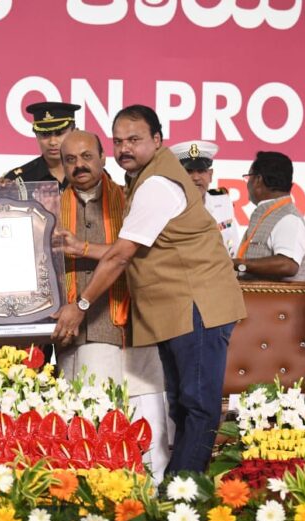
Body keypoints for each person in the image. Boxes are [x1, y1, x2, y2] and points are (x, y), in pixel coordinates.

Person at [52, 104, 246, 475]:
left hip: (199, 305)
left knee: (198, 405)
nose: (125, 148)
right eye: (119, 141)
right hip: (178, 308)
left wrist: (81, 305)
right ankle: (179, 487)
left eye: (135, 139)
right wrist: (81, 247)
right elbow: (137, 245)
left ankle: (184, 491)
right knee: (182, 405)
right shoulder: (142, 178)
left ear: (157, 140)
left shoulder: (156, 184)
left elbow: (122, 256)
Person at [56, 129, 169, 480]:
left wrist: (83, 249)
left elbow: (136, 254)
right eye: (70, 160)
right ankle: (98, 493)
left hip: (136, 323)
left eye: (86, 157)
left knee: (147, 420)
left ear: (103, 158)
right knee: (89, 422)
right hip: (80, 330)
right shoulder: (49, 207)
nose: (79, 165)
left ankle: (153, 493)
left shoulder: (130, 199)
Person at [233, 151, 305, 280]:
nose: (247, 183)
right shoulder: (269, 214)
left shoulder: (288, 218)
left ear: (258, 180)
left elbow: (287, 265)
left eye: (248, 177)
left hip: (281, 295)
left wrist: (241, 265)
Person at [169, 140, 239, 257]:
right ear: (178, 176)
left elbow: (232, 242)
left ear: (210, 175)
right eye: (189, 171)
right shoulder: (168, 205)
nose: (196, 177)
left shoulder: (223, 201)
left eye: (201, 171)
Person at [1, 101, 81, 192]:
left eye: (59, 133)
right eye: (45, 134)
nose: (52, 142)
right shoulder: (17, 181)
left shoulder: (91, 175)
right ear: (36, 135)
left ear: (74, 133)